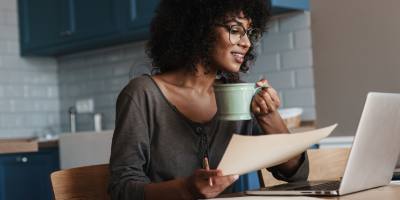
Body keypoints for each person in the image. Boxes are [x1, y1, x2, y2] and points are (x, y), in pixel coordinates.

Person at [108, 0, 309, 199]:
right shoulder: (142, 95)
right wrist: (186, 189)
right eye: (235, 30)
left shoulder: (238, 95)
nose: (247, 43)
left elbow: (295, 173)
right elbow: (121, 188)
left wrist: (269, 116)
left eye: (249, 33)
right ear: (199, 28)